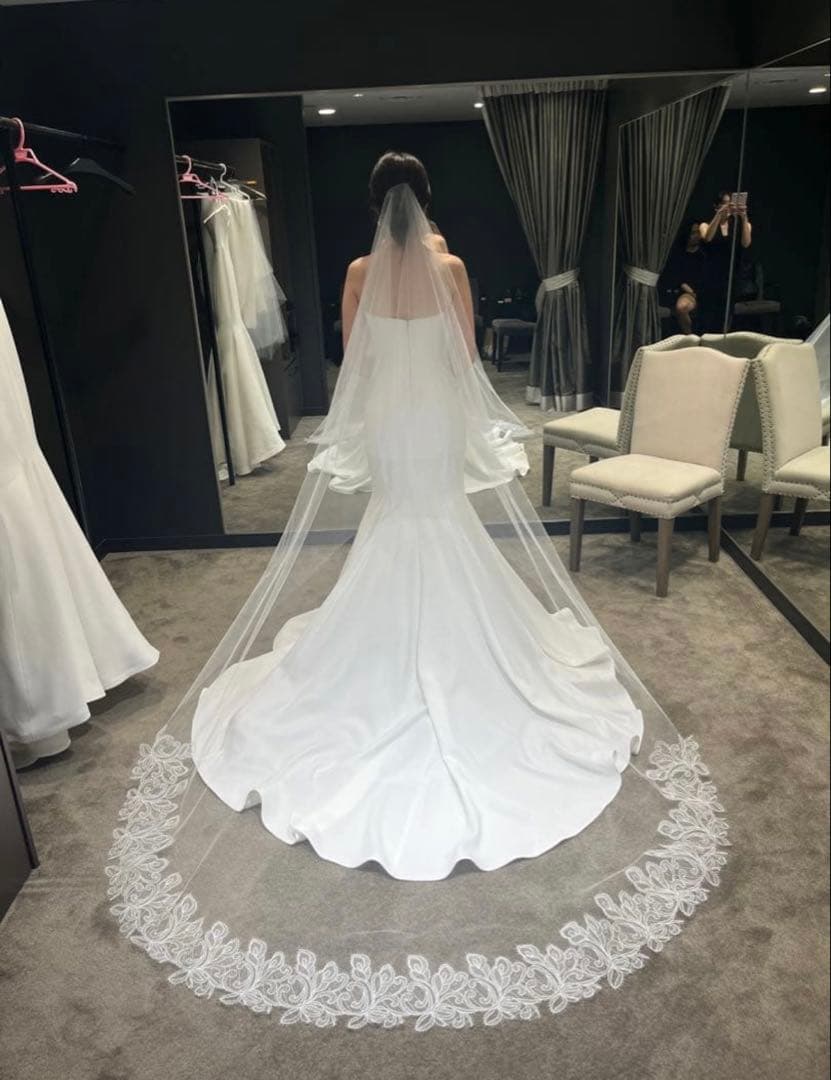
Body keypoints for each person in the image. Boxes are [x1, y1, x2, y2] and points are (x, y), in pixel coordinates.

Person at [107, 151, 726, 1023]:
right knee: (440, 518)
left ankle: (377, 644)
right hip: (432, 413)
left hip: (392, 418)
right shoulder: (453, 267)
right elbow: (465, 355)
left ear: (374, 205)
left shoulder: (359, 271)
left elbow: (354, 357)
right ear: (426, 202)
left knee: (396, 518)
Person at [698, 190, 752, 330]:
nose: (728, 207)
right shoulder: (705, 225)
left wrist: (743, 216)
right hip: (710, 276)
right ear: (716, 206)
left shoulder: (739, 225)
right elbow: (708, 238)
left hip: (730, 276)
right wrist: (719, 215)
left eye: (730, 204)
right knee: (708, 313)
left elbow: (746, 243)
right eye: (725, 204)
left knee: (726, 313)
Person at [662, 219, 706, 333]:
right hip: (683, 291)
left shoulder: (704, 255)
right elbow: (676, 276)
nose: (696, 236)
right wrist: (690, 291)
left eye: (698, 232)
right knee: (682, 307)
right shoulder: (678, 254)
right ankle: (690, 337)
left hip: (703, 293)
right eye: (693, 233)